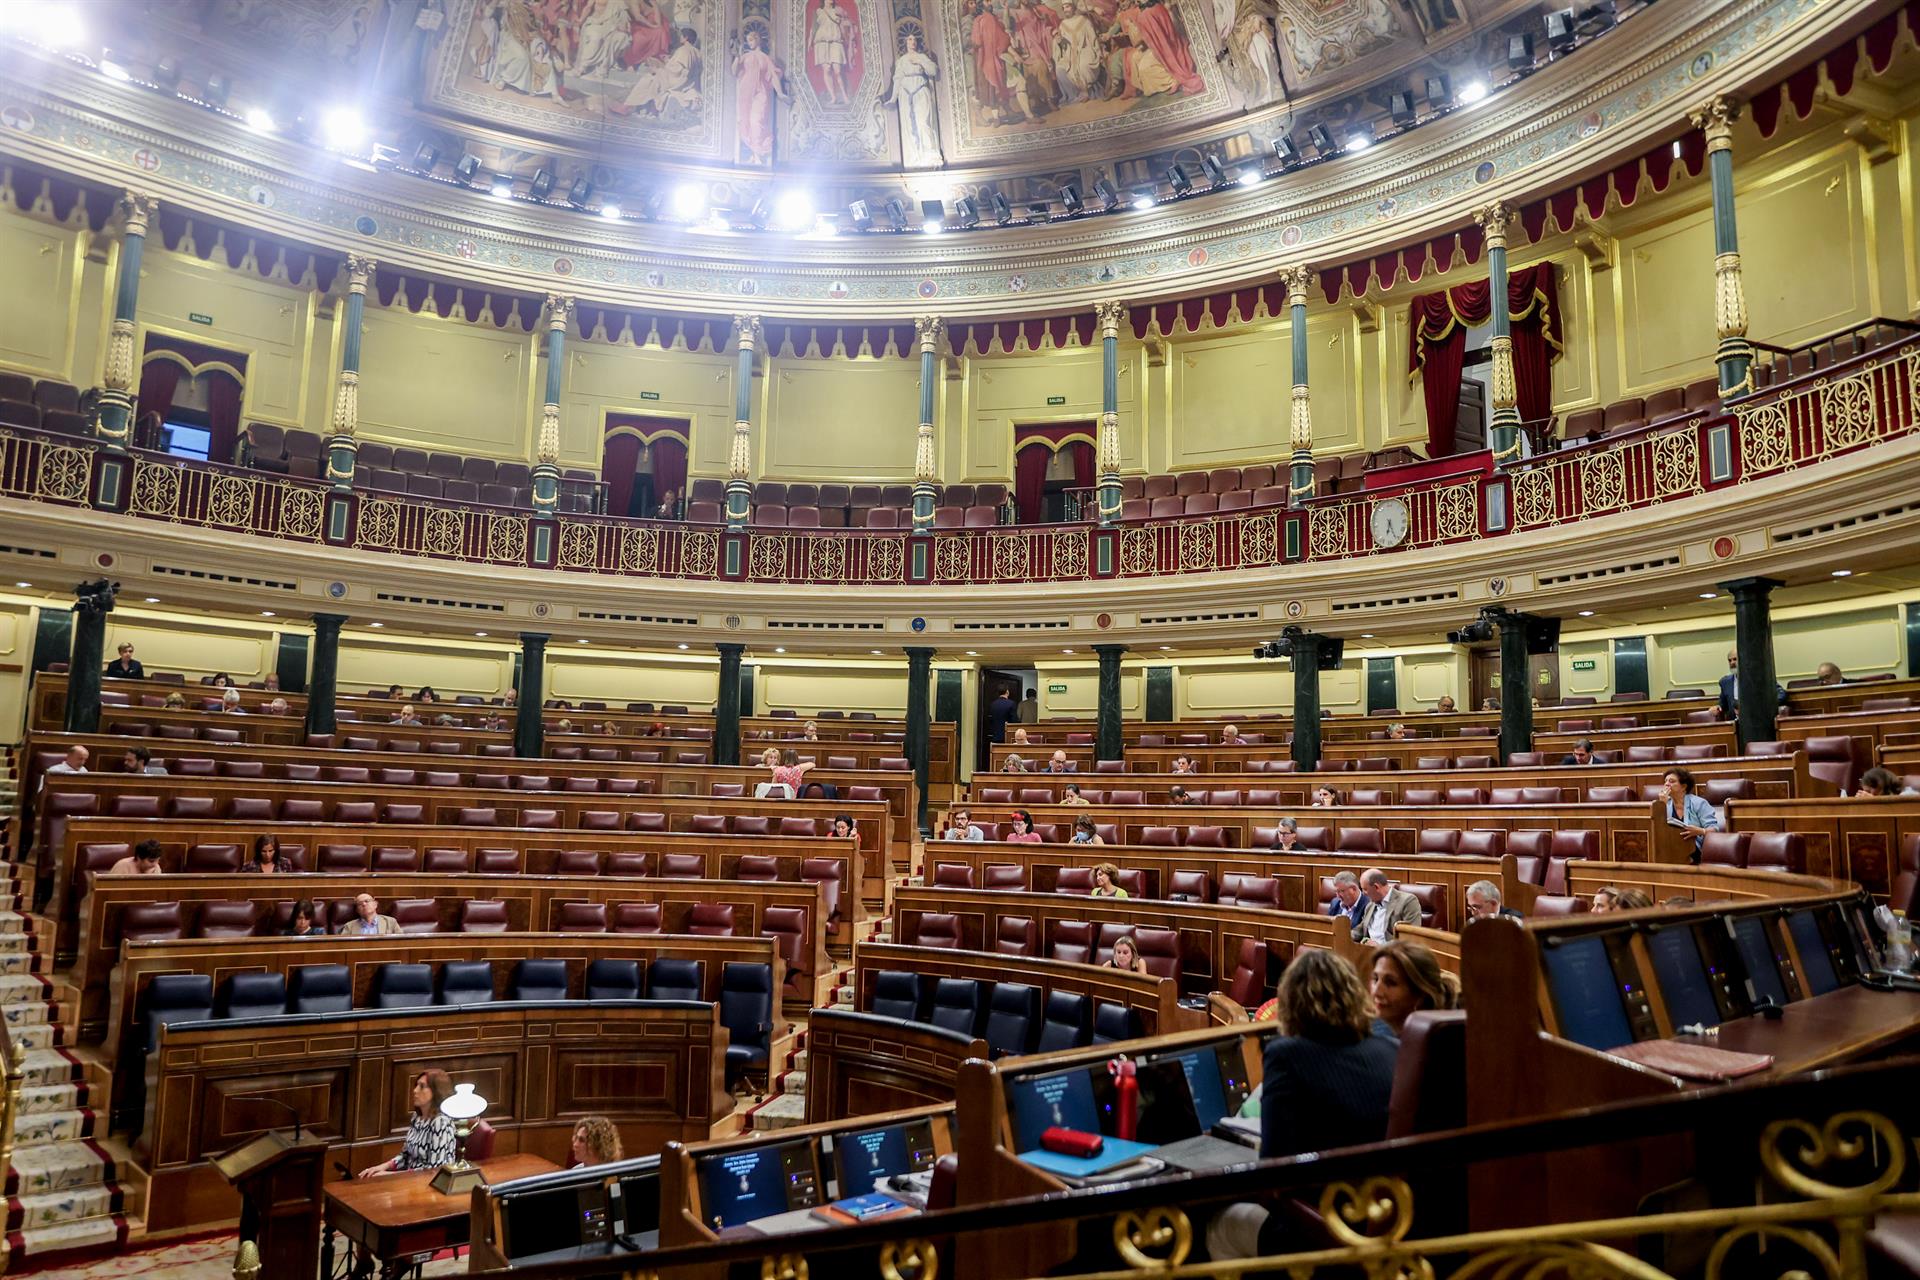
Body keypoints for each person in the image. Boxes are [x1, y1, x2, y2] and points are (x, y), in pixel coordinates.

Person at [1208, 951, 1399, 1260]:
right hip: (1386, 1215)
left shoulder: (1287, 1054)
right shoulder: (1389, 1044)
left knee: (1220, 1224)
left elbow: (1275, 1170)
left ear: (1291, 1002)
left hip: (1330, 1227)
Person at [359, 1070, 456, 1176]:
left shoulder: (441, 1122)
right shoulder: (417, 1118)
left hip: (429, 1185)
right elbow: (405, 1156)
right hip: (410, 1180)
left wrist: (389, 1175)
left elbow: (434, 1169)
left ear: (436, 1091)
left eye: (422, 1086)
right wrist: (383, 1166)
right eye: (416, 1085)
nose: (415, 1090)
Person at [1369, 942, 1461, 1037]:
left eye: (1391, 983)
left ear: (1420, 995)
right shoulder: (1372, 1027)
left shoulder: (1429, 1045)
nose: (1376, 992)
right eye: (1375, 979)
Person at [1662, 767, 1720, 857]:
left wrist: (1701, 831)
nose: (1666, 784)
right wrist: (1661, 805)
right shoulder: (1665, 803)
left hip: (1695, 849)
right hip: (1671, 847)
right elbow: (1658, 829)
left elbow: (1715, 830)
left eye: (1671, 781)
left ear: (1684, 786)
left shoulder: (1699, 803)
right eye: (1665, 781)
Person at [1352, 868, 1420, 945]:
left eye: (1365, 889)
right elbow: (1360, 930)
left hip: (1391, 953)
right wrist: (1343, 936)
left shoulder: (1407, 901)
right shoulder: (1370, 905)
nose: (1363, 893)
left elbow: (1409, 937)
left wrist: (1380, 947)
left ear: (1376, 887)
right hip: (1367, 950)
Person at [1718, 648, 1788, 721]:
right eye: (1729, 660)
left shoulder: (1759, 677)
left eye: (1735, 659)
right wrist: (1718, 707)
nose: (1732, 663)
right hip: (1735, 724)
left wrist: (1764, 706)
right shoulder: (1725, 682)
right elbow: (1723, 705)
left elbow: (1781, 693)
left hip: (1757, 721)